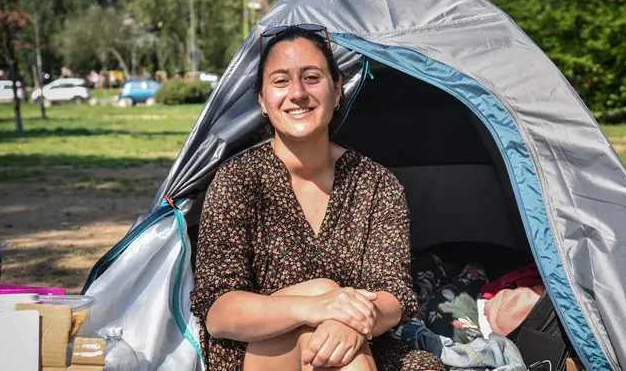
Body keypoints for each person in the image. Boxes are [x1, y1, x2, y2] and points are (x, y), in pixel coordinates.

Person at [191, 25, 445, 371]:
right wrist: (319, 305)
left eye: (311, 77)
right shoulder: (239, 180)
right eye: (281, 81)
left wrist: (351, 321)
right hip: (255, 348)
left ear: (337, 90)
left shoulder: (375, 183)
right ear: (263, 101)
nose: (297, 93)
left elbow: (394, 294)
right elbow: (219, 312)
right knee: (317, 302)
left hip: (356, 339)